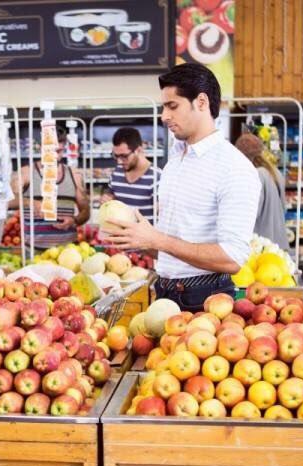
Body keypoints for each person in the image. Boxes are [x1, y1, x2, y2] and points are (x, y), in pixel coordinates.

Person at [103, 63, 261, 312]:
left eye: (172, 106)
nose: (164, 116)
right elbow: (174, 246)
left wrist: (159, 240)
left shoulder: (233, 168)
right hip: (164, 291)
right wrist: (140, 240)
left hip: (205, 299)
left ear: (201, 102)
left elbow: (232, 258)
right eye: (164, 107)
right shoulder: (176, 159)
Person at [9, 127, 90, 248]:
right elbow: (7, 202)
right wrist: (30, 203)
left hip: (68, 253)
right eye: (53, 151)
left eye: (60, 151)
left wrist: (75, 220)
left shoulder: (75, 175)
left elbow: (85, 211)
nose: (56, 156)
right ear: (42, 148)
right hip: (33, 252)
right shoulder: (26, 173)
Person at [235, 132, 291, 250]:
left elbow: (250, 214)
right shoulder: (275, 172)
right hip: (278, 243)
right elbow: (283, 207)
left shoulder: (256, 174)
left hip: (262, 245)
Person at [101, 127, 158, 223]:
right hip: (119, 236)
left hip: (144, 237)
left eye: (124, 156)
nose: (119, 161)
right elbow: (111, 196)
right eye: (116, 156)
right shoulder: (117, 173)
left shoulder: (157, 177)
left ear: (139, 150)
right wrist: (108, 200)